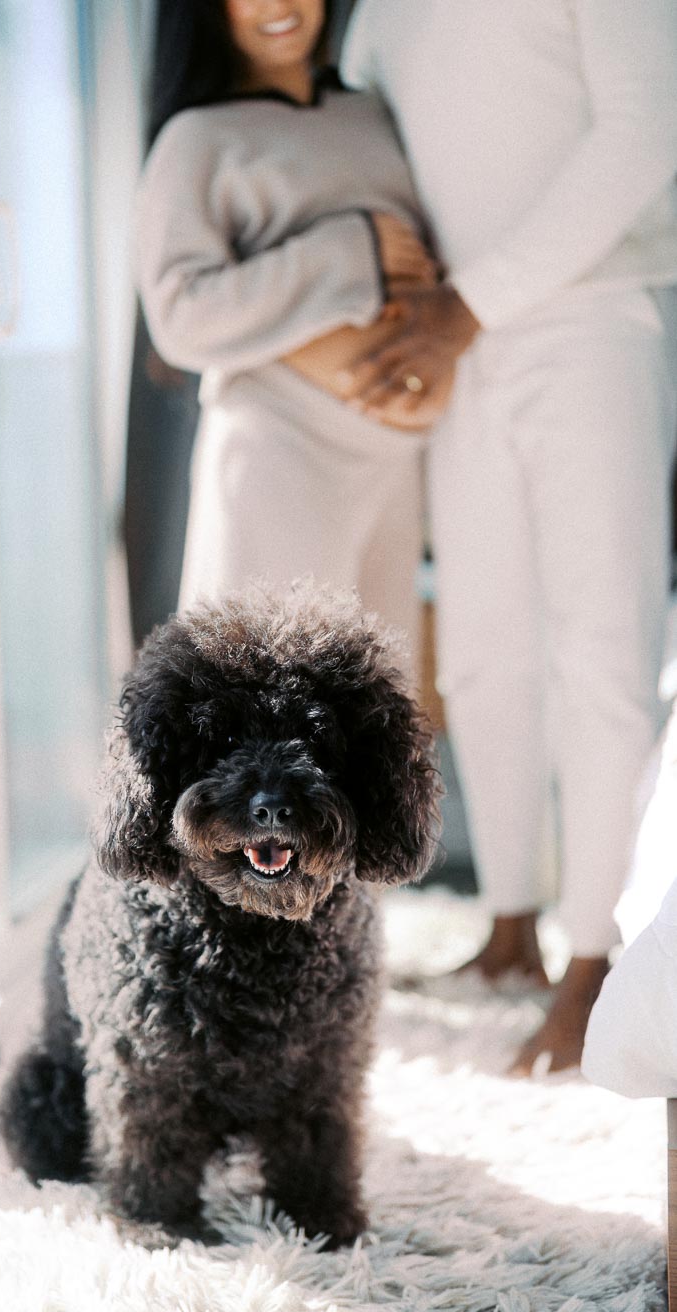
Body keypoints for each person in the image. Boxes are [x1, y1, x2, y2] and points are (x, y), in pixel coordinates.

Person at [339, 0, 677, 1072]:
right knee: (482, 655)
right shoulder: (377, 14)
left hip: (594, 320)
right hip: (456, 342)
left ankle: (598, 959)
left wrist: (470, 299)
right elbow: (361, 142)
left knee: (604, 657)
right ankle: (509, 923)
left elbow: (652, 128)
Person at [135, 0, 449, 682]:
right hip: (278, 462)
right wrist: (348, 252)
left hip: (391, 471)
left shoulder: (372, 117)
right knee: (264, 723)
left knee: (375, 734)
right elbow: (181, 317)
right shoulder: (197, 140)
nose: (278, 5)